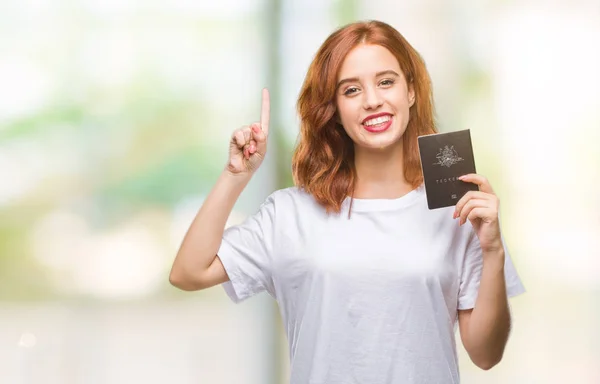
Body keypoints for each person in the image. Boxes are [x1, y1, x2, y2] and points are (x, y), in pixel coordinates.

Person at [169, 20, 525, 384]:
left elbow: (485, 354)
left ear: (411, 92)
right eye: (351, 90)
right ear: (334, 109)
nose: (373, 100)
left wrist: (493, 249)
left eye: (386, 82)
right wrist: (235, 175)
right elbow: (188, 272)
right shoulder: (290, 213)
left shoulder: (457, 208)